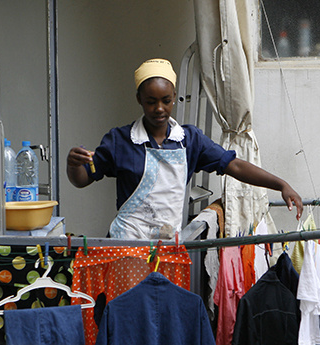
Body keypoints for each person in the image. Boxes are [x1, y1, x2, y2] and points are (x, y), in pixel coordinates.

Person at [67, 58, 303, 240]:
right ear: (138, 99)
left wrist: (281, 184)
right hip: (126, 245)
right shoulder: (121, 140)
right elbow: (82, 179)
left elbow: (235, 165)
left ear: (174, 98)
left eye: (166, 100)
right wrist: (73, 165)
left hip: (168, 246)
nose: (159, 108)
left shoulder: (189, 140)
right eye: (151, 101)